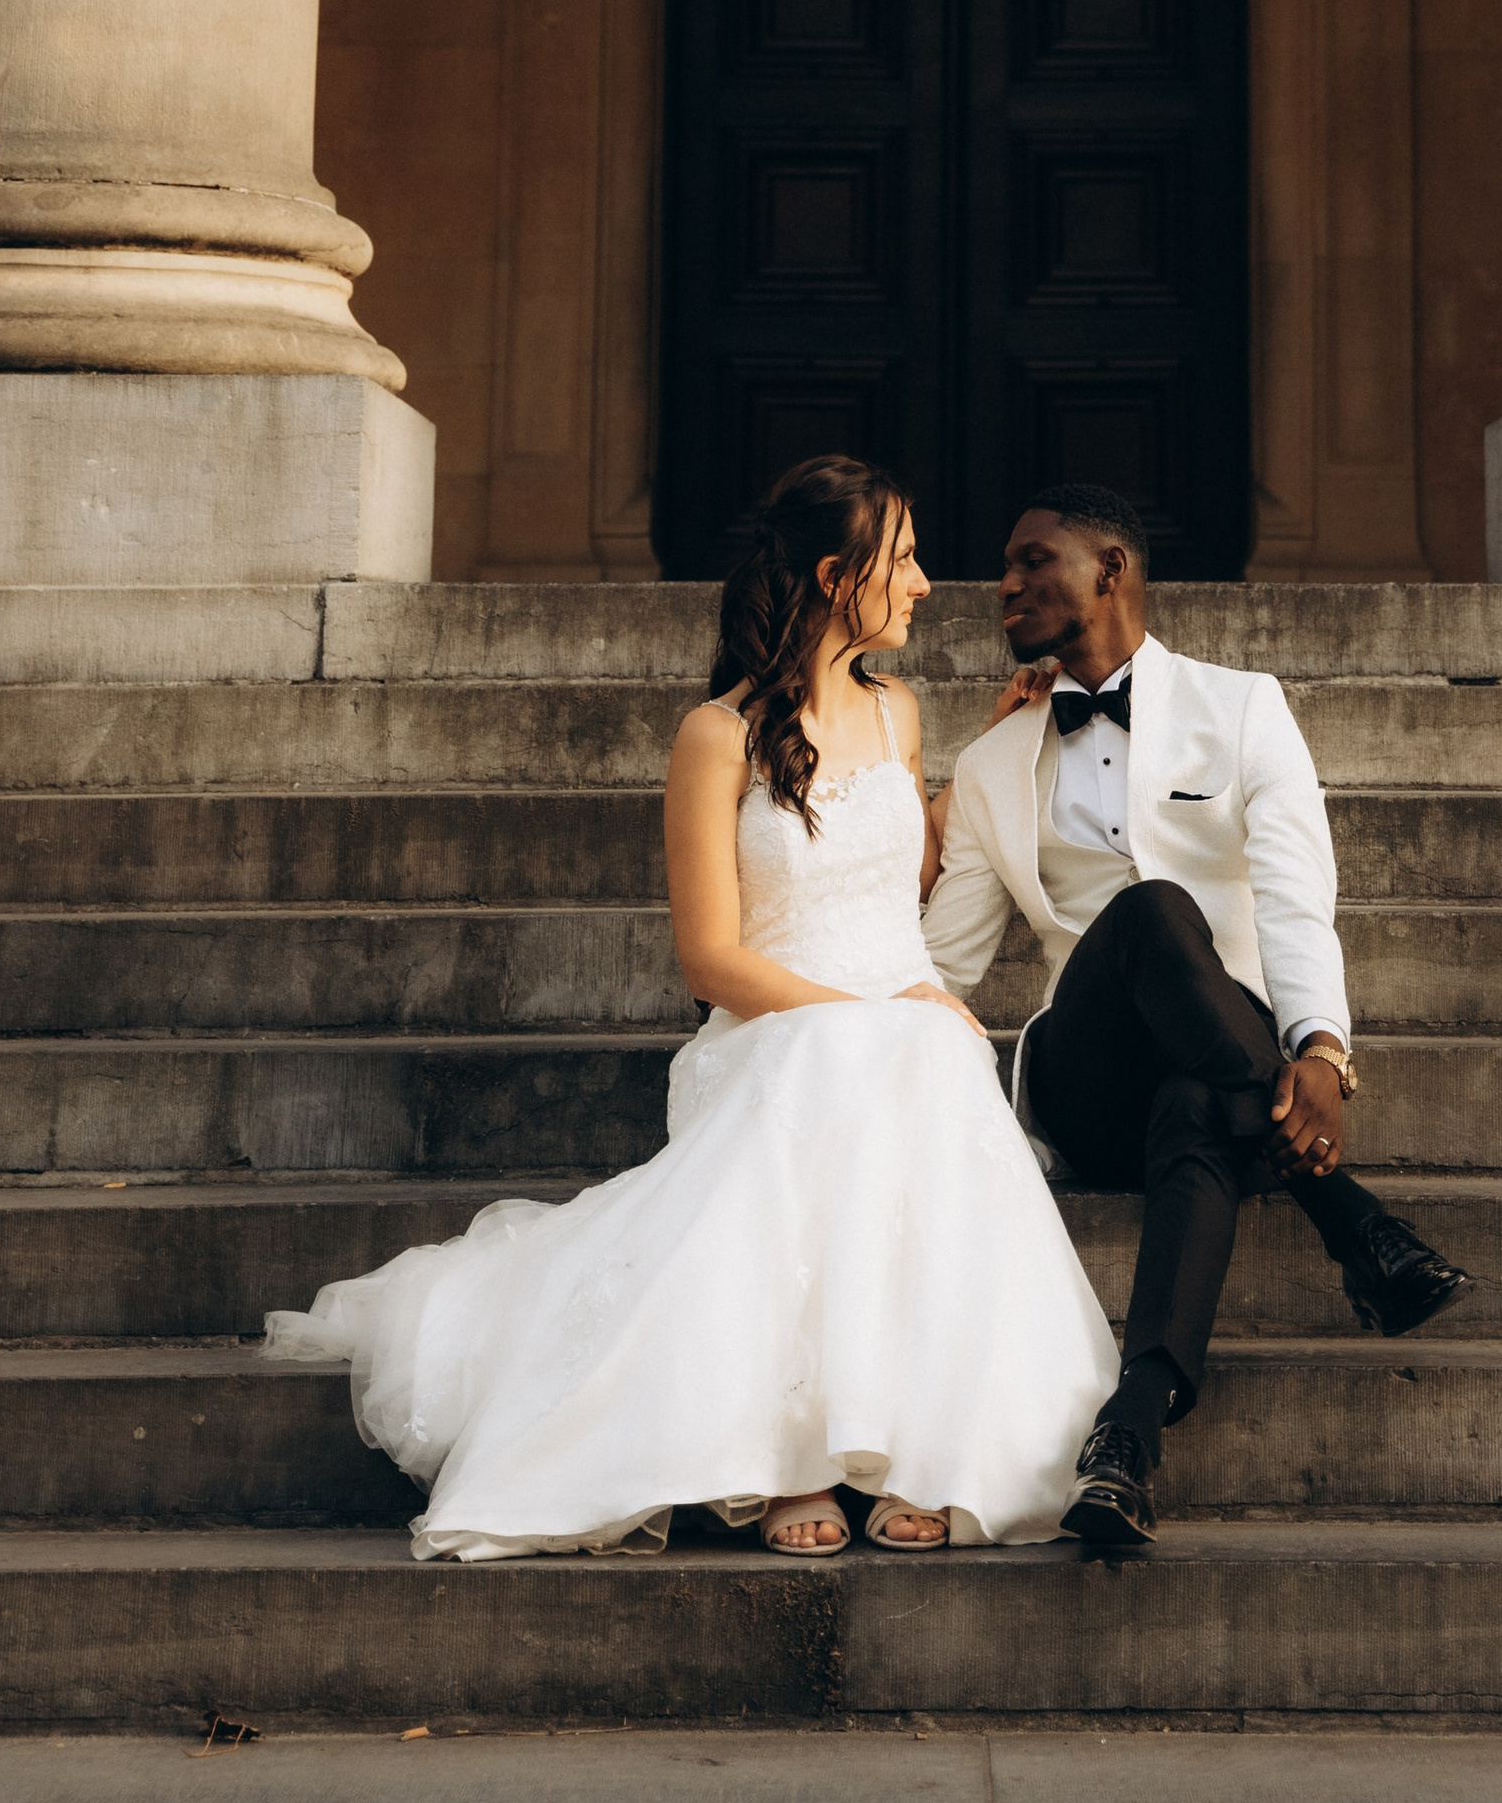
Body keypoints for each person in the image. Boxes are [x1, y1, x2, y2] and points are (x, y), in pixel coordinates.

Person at [264, 458, 1117, 1558]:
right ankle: (792, 1456)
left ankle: (923, 1446)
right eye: (900, 560)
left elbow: (894, 873)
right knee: (879, 1053)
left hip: (892, 1025)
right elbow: (712, 958)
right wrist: (862, 1015)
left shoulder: (900, 713)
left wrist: (996, 749)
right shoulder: (716, 736)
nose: (922, 584)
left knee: (931, 1055)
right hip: (770, 1030)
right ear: (833, 573)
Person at [921, 482, 1466, 1553]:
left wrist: (1319, 1045)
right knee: (1150, 913)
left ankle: (1128, 1430)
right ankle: (1344, 1212)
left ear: (1110, 568)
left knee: (1197, 1100)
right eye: (1007, 566)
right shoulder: (990, 764)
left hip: (1221, 1073)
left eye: (1035, 560)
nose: (1006, 585)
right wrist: (920, 824)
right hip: (1082, 1077)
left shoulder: (1243, 706)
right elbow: (944, 962)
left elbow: (1296, 892)